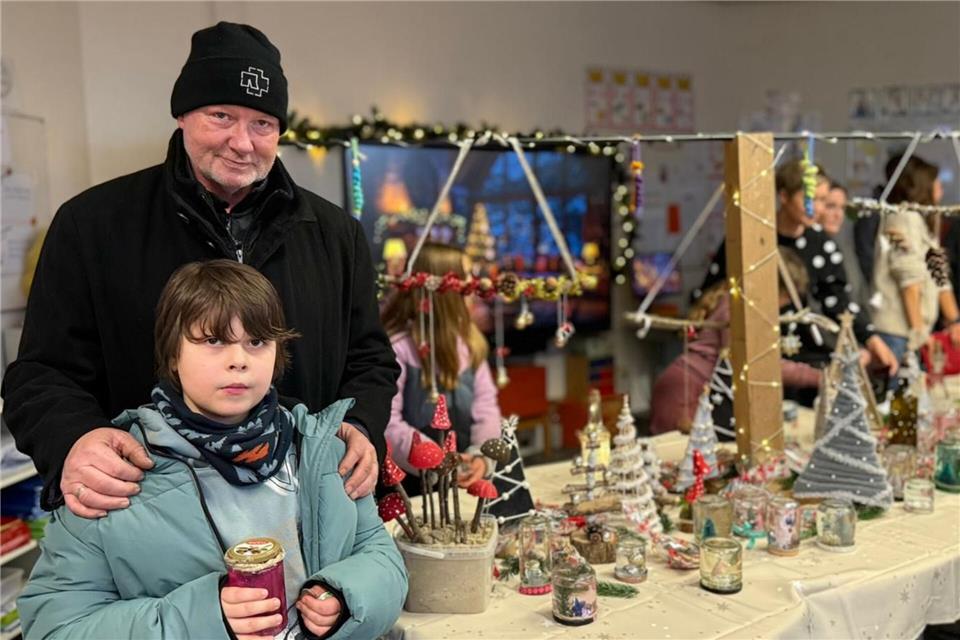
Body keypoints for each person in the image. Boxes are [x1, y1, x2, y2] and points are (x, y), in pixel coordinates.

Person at [1, 22, 399, 518]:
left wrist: (361, 423)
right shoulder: (92, 225)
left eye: (263, 124)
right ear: (183, 115)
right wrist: (74, 442)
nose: (243, 142)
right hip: (148, 518)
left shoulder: (336, 234)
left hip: (305, 515)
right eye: (221, 115)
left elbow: (371, 361)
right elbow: (41, 374)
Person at [17, 260, 407, 640]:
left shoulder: (322, 449)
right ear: (172, 353)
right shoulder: (113, 474)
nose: (238, 361)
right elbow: (55, 625)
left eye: (256, 341)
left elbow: (381, 558)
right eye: (213, 340)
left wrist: (346, 596)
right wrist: (202, 619)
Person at [694, 158, 898, 374]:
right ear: (784, 196)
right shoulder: (750, 239)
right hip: (754, 354)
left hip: (807, 355)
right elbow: (714, 293)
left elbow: (837, 300)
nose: (815, 208)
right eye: (808, 199)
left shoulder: (823, 244)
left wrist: (872, 339)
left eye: (822, 200)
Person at [650, 248, 821, 434]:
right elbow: (759, 363)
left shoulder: (737, 302)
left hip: (691, 386)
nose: (785, 304)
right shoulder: (738, 308)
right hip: (688, 391)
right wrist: (820, 377)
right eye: (786, 297)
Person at [380, 243, 501, 487]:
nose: (474, 284)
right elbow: (387, 422)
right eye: (467, 276)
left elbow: (486, 407)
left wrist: (481, 457)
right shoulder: (398, 348)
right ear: (443, 287)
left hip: (466, 478)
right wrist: (436, 460)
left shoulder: (471, 342)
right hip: (415, 485)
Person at [869, 154, 960, 363]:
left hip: (910, 332)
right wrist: (919, 333)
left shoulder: (921, 222)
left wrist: (954, 321)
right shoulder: (903, 219)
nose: (940, 187)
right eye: (936, 182)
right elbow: (909, 282)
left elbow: (940, 277)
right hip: (898, 333)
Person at [818, 179, 872, 325]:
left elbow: (860, 296)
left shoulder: (844, 250)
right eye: (831, 206)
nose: (838, 215)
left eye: (842, 208)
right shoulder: (810, 251)